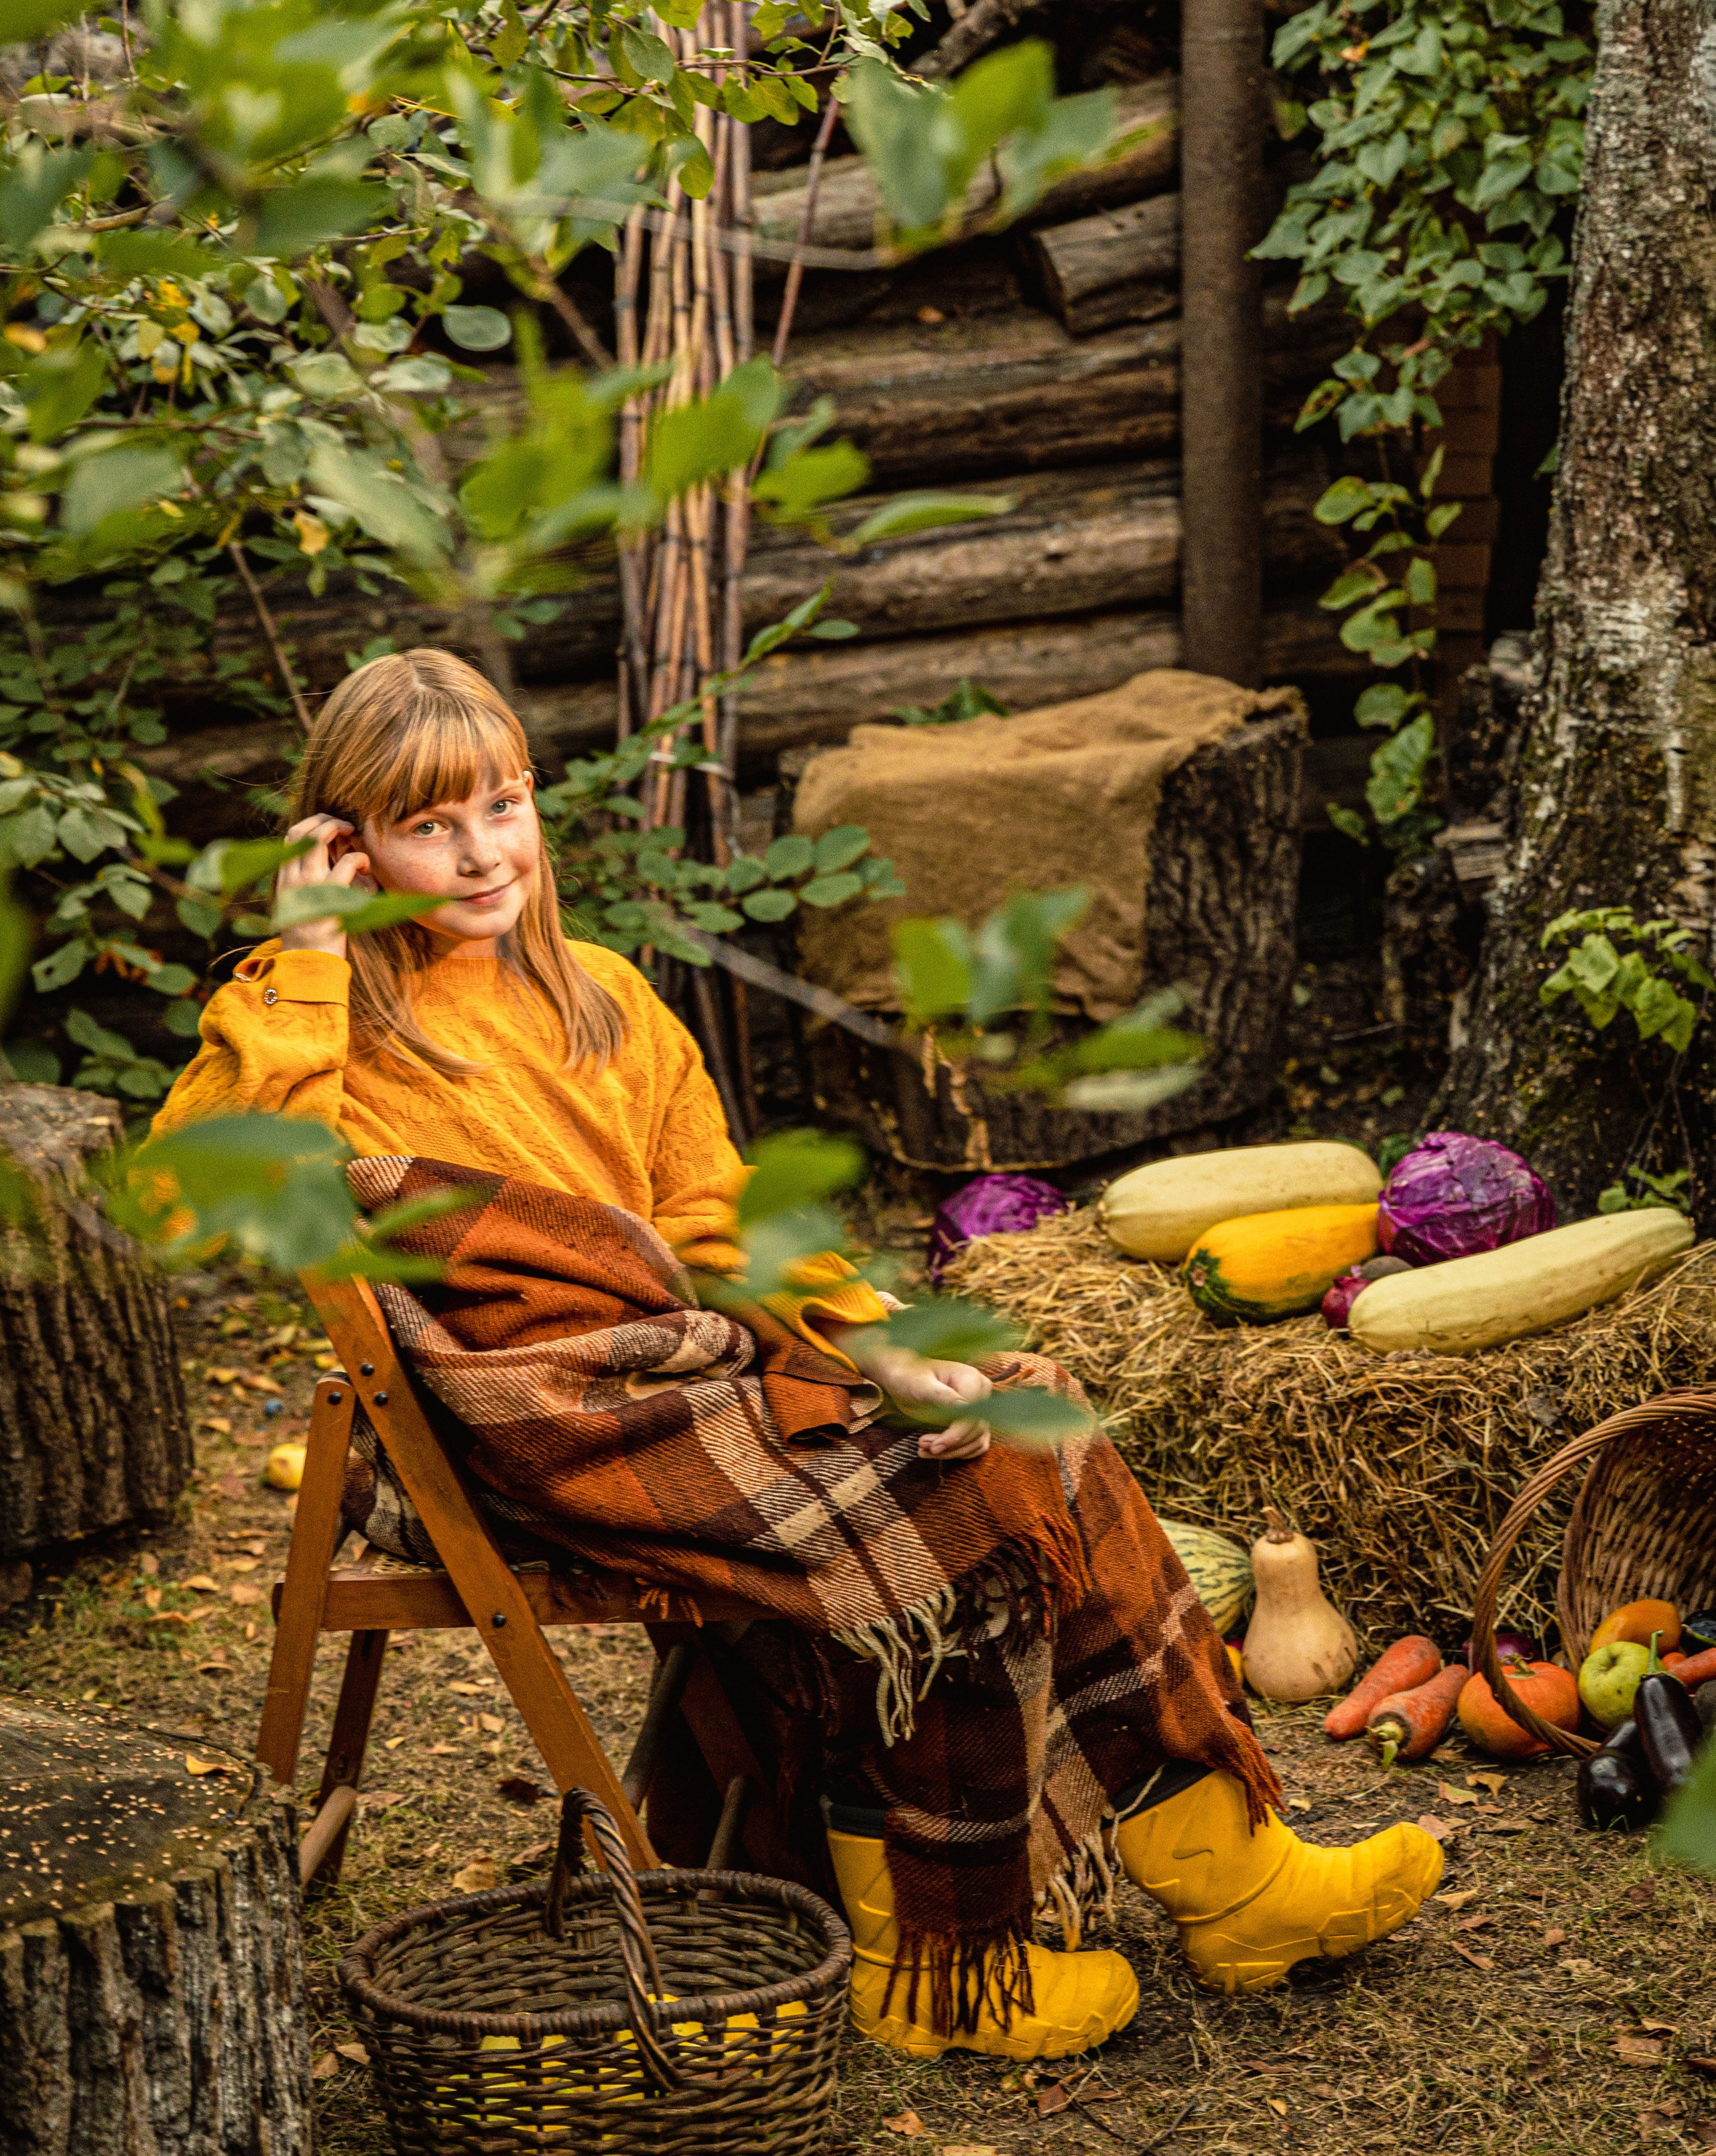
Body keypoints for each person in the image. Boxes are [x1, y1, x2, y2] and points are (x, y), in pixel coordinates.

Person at [154, 649, 1441, 2057]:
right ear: (345, 845)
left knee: (1030, 1419)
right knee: (962, 1501)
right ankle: (932, 1965)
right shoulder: (320, 1020)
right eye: (427, 825)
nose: (481, 854)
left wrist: (878, 1346)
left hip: (684, 1376)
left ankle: (1237, 1883)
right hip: (540, 1426)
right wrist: (307, 962)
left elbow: (718, 1219)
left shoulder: (600, 998)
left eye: (502, 805)